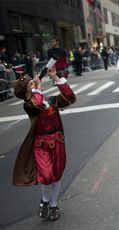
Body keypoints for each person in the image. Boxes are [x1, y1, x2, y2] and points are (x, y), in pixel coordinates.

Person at [12, 67, 76, 221]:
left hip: (57, 141)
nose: (35, 85)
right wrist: (38, 88)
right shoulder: (29, 105)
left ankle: (53, 205)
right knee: (46, 175)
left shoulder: (50, 100)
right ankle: (45, 200)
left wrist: (55, 78)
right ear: (26, 93)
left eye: (33, 84)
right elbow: (37, 105)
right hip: (40, 144)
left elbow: (70, 98)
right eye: (31, 85)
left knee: (56, 175)